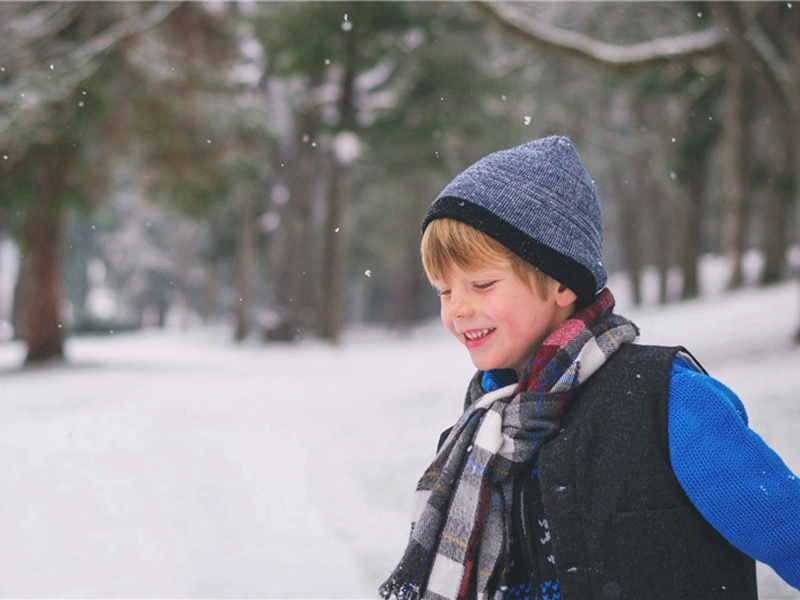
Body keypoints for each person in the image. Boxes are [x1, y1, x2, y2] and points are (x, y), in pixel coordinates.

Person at [379, 136, 800, 600]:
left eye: (481, 284)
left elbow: (787, 529)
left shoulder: (667, 401)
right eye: (444, 291)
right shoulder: (479, 436)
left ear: (562, 283)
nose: (457, 308)